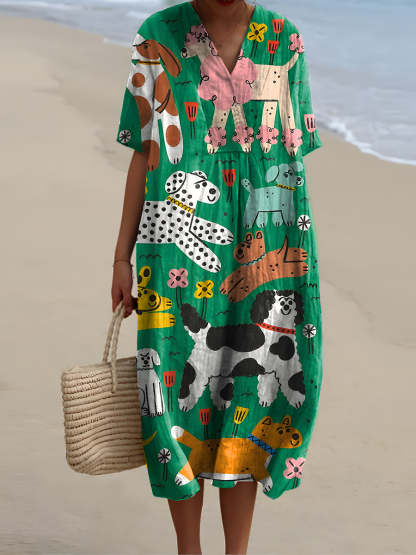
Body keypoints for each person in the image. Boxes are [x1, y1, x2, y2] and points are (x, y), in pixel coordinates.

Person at [112, 0, 324, 553]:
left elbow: (292, 162)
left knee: (251, 396)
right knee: (175, 393)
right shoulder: (157, 36)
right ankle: (189, 550)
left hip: (266, 244)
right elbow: (143, 152)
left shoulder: (284, 40)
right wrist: (121, 258)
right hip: (174, 251)